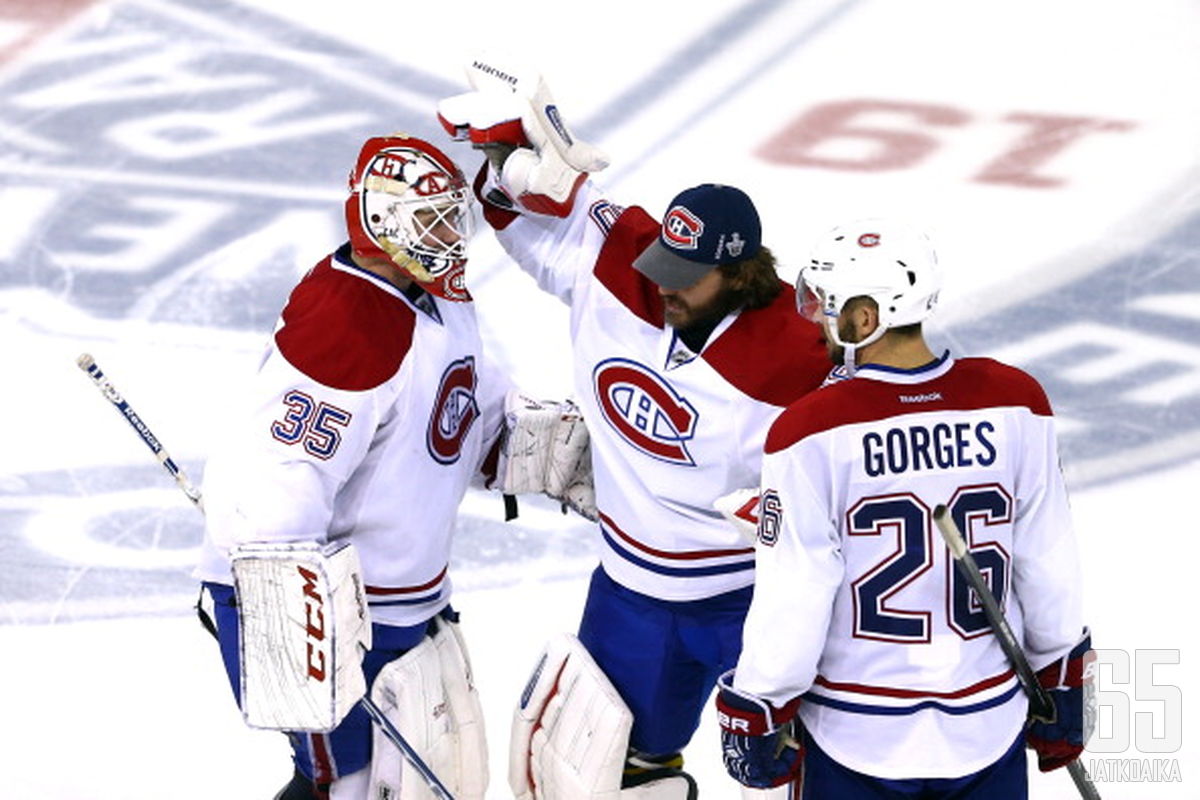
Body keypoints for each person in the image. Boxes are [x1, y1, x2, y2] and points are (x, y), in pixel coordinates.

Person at [437, 58, 832, 796]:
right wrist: (502, 168)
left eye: (689, 274)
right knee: (599, 777)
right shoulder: (626, 264)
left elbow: (875, 448)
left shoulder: (803, 352)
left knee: (834, 769)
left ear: (742, 274)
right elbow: (527, 220)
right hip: (631, 595)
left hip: (754, 599)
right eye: (663, 262)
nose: (665, 285)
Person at [715, 218, 1094, 798]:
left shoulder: (811, 430)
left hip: (856, 734)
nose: (815, 315)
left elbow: (797, 589)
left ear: (866, 318)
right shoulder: (1016, 403)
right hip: (986, 725)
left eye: (826, 302)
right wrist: (1063, 669)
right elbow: (1048, 559)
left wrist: (761, 699)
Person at [194, 133, 509, 800]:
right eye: (432, 219)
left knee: (396, 782)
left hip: (399, 600)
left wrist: (514, 441)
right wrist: (292, 618)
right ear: (384, 220)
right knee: (352, 786)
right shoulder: (348, 327)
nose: (452, 234)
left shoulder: (442, 297)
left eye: (453, 215)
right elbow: (276, 483)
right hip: (323, 611)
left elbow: (460, 405)